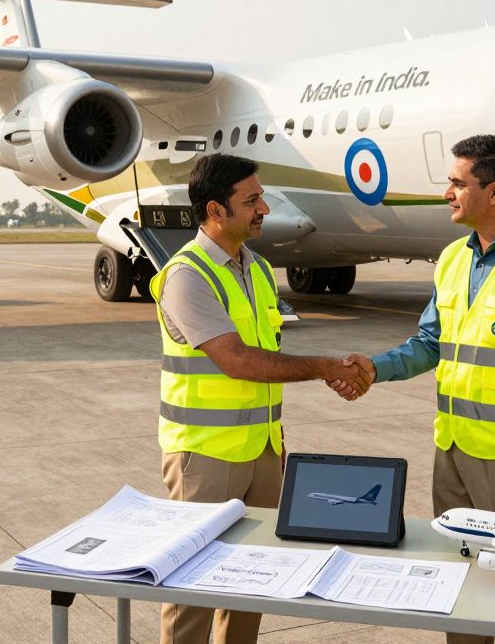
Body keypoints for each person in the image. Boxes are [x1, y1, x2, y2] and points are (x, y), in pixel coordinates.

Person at [338, 135, 495, 644]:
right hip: (451, 455)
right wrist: (375, 367)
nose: (447, 193)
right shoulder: (453, 258)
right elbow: (429, 344)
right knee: (459, 596)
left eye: (458, 183)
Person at [150, 153, 369, 644]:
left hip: (262, 451)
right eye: (251, 200)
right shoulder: (188, 275)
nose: (264, 208)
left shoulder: (259, 270)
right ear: (215, 210)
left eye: (261, 197)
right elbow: (240, 361)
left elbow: (264, 365)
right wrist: (325, 368)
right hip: (204, 456)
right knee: (192, 593)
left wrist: (277, 443)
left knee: (252, 585)